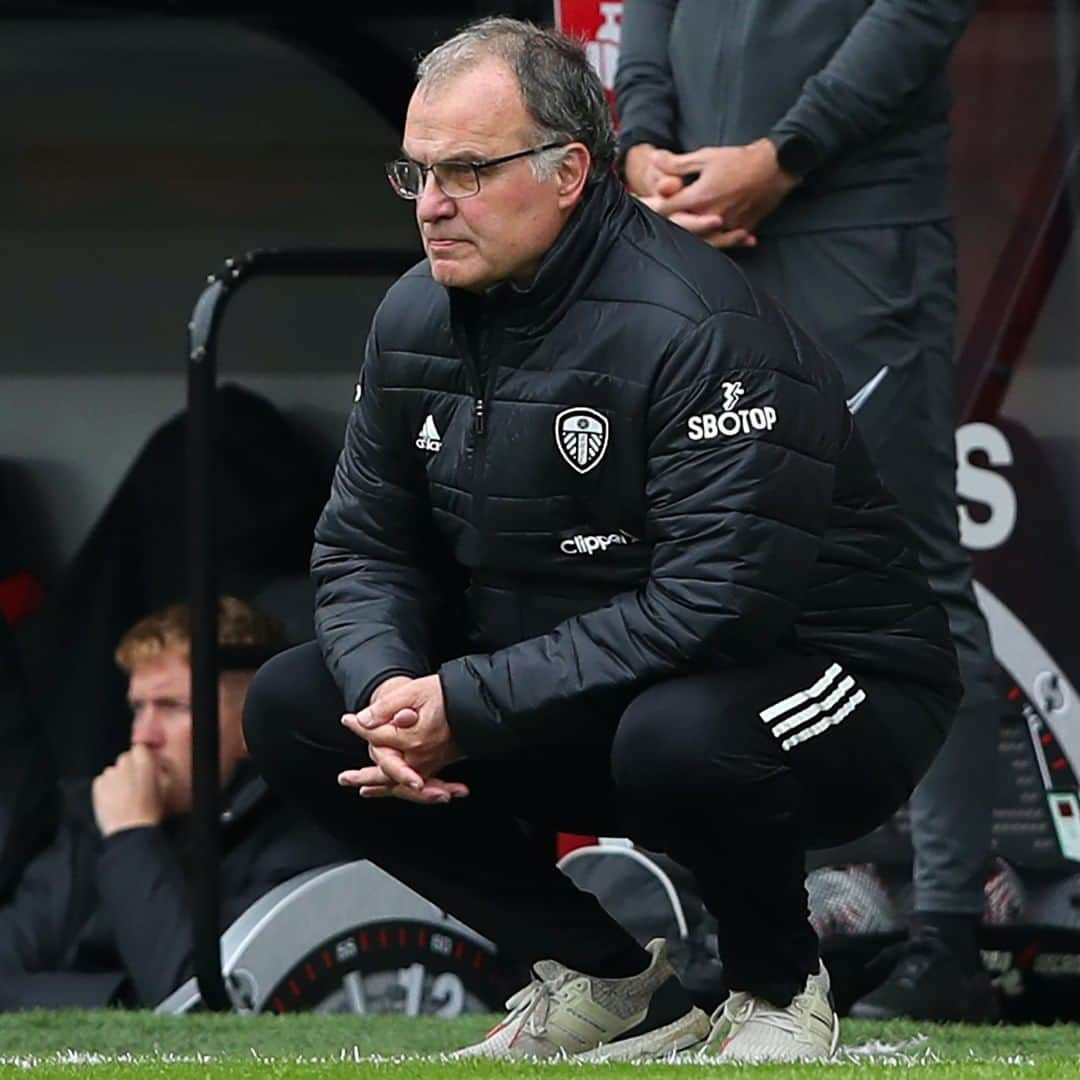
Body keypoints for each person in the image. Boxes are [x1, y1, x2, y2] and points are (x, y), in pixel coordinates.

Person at [242, 17, 960, 1063]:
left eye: (469, 172)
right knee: (303, 704)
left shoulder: (694, 325)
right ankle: (608, 982)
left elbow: (718, 606)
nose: (434, 205)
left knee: (678, 735)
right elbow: (364, 548)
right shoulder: (412, 317)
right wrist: (394, 687)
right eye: (418, 173)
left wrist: (471, 703)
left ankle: (777, 988)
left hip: (835, 687)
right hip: (595, 686)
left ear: (572, 171)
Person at [615, 0, 1002, 1023]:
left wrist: (786, 154)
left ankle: (951, 931)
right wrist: (644, 146)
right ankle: (747, 933)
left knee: (907, 569)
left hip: (853, 224)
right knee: (702, 567)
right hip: (697, 232)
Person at [0, 596, 348, 1011]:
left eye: (171, 707)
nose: (143, 735)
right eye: (137, 708)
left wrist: (132, 838)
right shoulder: (99, 811)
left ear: (249, 720)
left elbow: (200, 1008)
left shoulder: (302, 834)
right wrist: (124, 999)